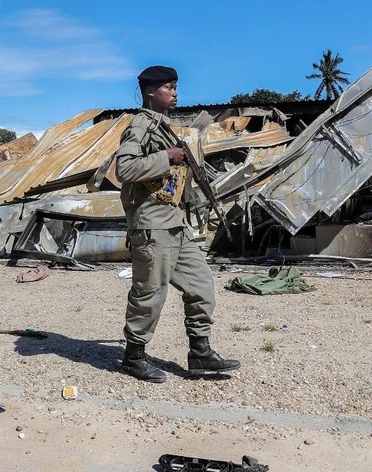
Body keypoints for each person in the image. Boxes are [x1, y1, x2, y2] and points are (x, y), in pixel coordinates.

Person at [114, 65, 240, 383]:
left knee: (201, 286)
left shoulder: (163, 125)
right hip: (153, 226)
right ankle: (134, 357)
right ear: (150, 92)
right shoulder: (140, 126)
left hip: (175, 224)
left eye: (175, 87)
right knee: (150, 293)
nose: (175, 93)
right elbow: (125, 169)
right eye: (169, 87)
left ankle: (200, 352)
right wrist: (166, 157)